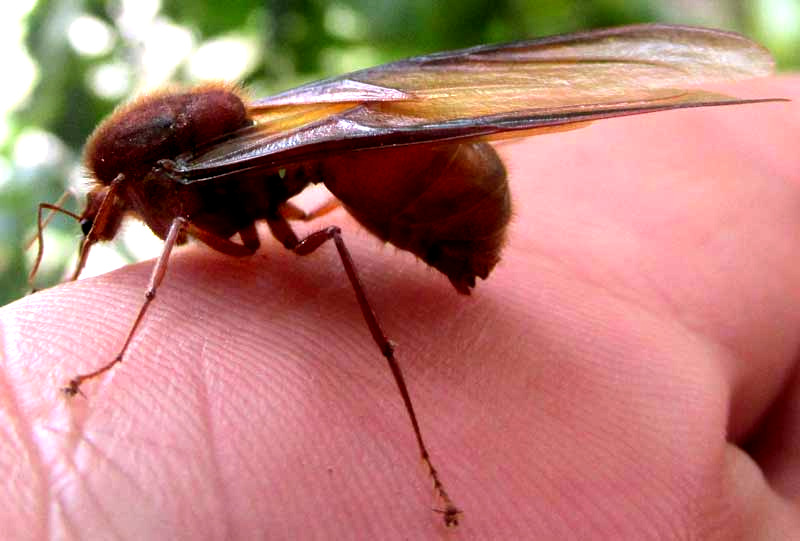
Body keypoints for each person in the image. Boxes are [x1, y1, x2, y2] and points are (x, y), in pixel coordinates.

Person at [1, 77, 797, 539]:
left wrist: (109, 352)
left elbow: (201, 226)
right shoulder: (209, 167)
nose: (102, 223)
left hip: (444, 195)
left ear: (137, 181)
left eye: (105, 212)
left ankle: (425, 460)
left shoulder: (182, 194)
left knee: (335, 244)